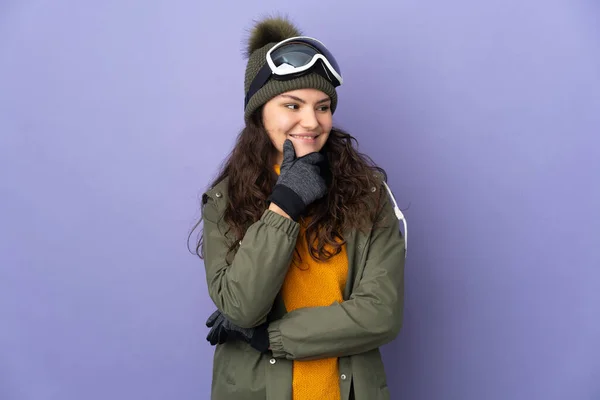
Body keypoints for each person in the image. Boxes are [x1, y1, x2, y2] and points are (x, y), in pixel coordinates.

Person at [191, 15, 407, 400]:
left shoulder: (369, 194)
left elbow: (380, 315)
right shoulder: (224, 202)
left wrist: (270, 337)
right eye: (293, 104)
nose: (312, 121)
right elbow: (243, 307)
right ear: (259, 112)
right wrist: (286, 202)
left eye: (322, 106)